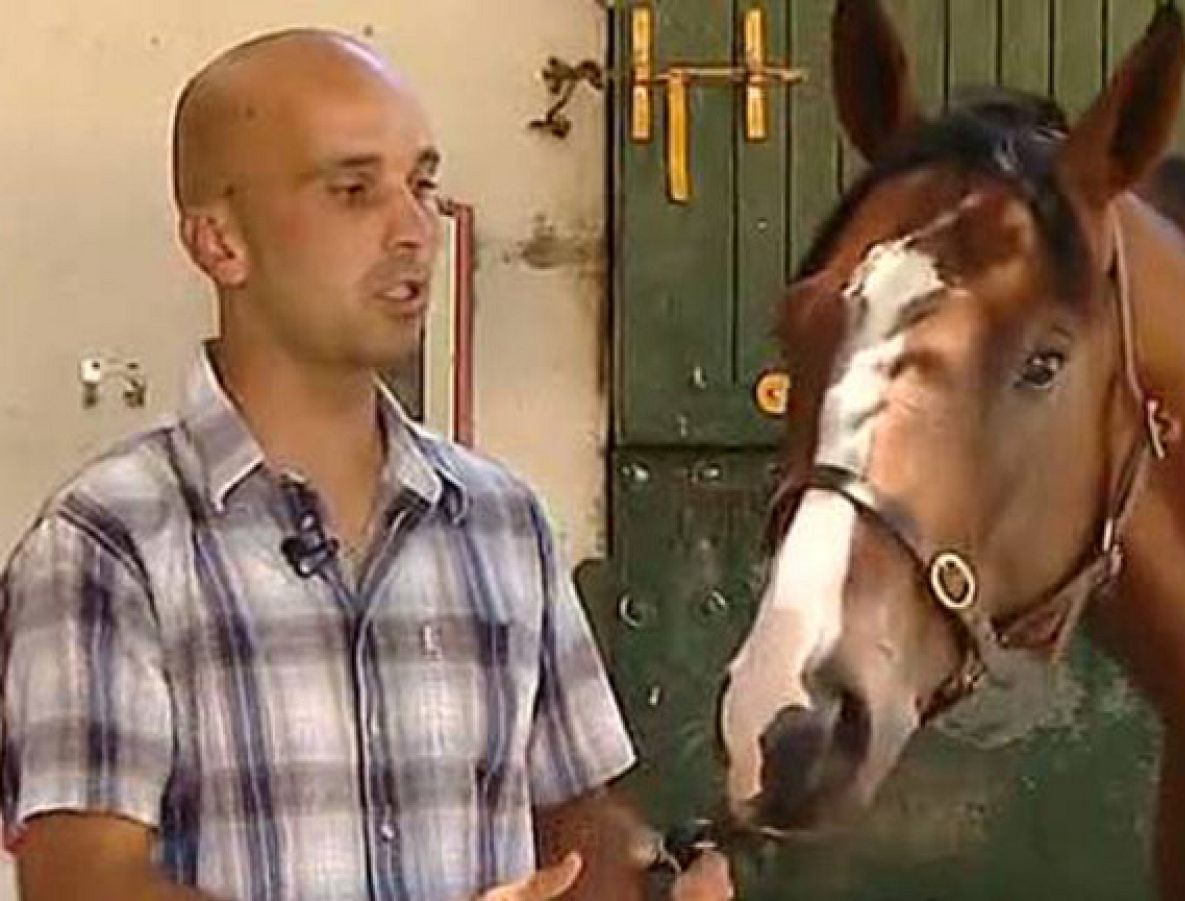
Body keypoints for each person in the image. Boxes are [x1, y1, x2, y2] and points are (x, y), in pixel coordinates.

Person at [0, 28, 730, 901]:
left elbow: (579, 820)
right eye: (353, 190)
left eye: (420, 184)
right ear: (221, 243)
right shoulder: (107, 541)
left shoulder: (502, 520)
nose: (414, 227)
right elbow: (84, 886)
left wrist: (649, 877)